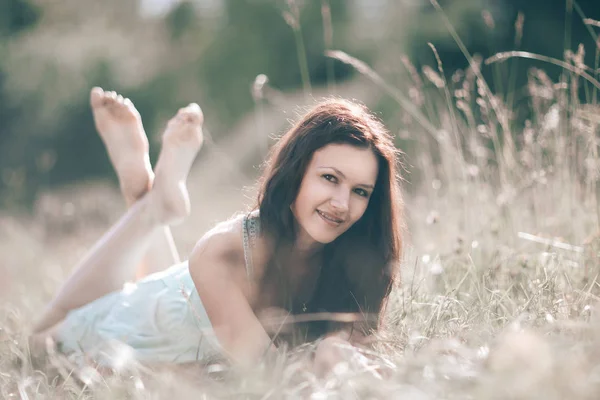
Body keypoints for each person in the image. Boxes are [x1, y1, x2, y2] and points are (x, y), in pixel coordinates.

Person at [29, 87, 404, 375]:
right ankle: (149, 206)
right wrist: (328, 362)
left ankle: (149, 199)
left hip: (182, 310)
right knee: (39, 339)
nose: (341, 202)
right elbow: (269, 381)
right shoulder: (222, 253)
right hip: (127, 330)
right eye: (329, 178)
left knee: (180, 306)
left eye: (360, 192)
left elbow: (361, 359)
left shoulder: (351, 261)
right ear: (296, 173)